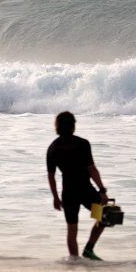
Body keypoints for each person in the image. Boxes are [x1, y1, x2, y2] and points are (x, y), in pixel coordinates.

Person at [46, 111, 109, 260]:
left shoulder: (53, 148)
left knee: (72, 229)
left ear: (57, 126)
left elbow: (51, 176)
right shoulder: (82, 143)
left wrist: (55, 197)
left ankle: (74, 261)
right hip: (85, 191)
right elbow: (92, 169)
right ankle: (89, 249)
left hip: (68, 193)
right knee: (105, 216)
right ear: (73, 126)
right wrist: (102, 190)